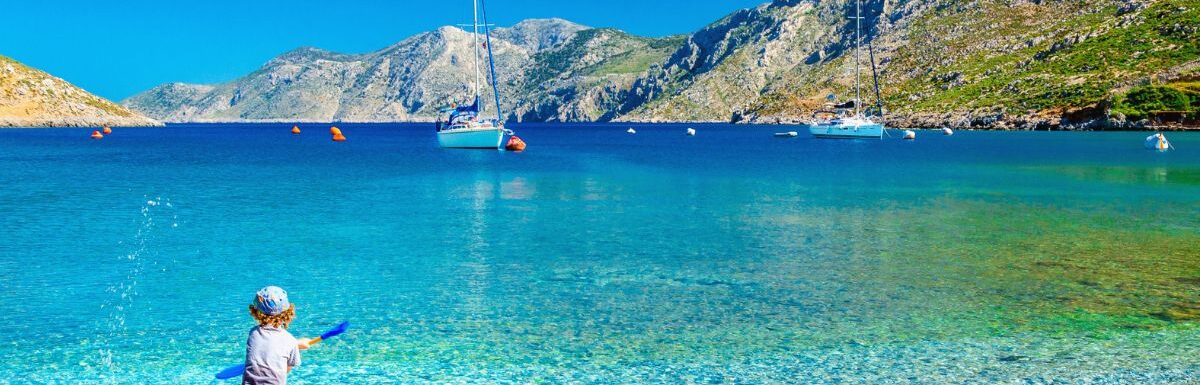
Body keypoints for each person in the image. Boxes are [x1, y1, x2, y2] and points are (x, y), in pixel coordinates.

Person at [243, 286, 313, 385]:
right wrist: (296, 345)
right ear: (287, 313)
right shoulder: (289, 341)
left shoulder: (253, 333)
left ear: (256, 312)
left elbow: (269, 344)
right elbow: (285, 370)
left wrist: (295, 344)